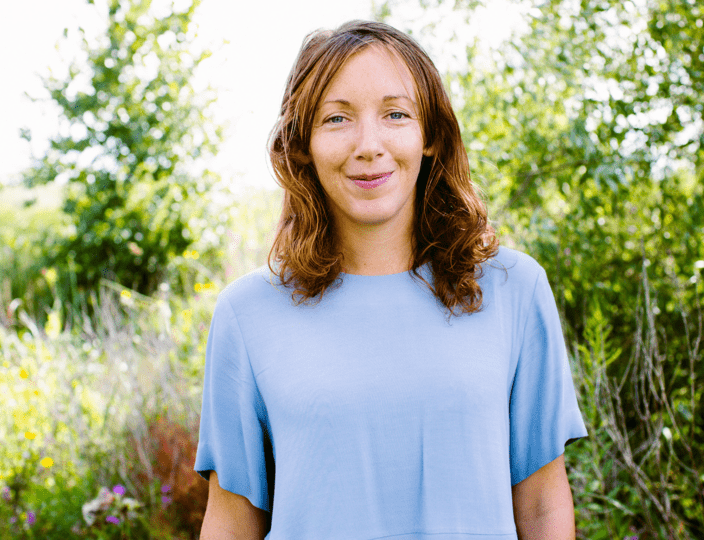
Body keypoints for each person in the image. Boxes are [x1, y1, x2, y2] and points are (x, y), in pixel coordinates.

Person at [194, 20, 588, 540]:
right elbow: (230, 522)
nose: (368, 144)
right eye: (336, 119)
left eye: (396, 114)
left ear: (430, 137)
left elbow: (540, 505)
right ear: (304, 145)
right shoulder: (248, 314)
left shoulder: (515, 290)